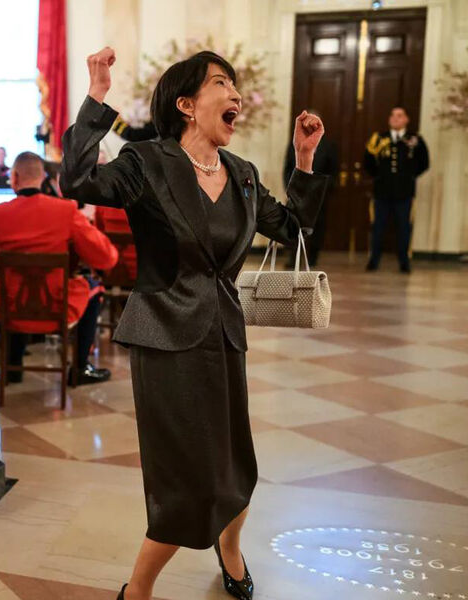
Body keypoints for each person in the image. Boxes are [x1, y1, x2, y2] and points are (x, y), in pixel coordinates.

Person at [60, 47, 328, 600]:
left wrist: (303, 159)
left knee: (234, 463)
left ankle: (231, 551)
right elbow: (77, 181)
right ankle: (138, 588)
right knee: (183, 476)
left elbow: (295, 227)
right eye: (222, 83)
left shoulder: (243, 175)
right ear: (186, 104)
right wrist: (97, 95)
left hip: (224, 334)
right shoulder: (144, 162)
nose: (236, 95)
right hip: (164, 335)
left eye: (235, 85)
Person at [0, 151, 118, 385]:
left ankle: (13, 368)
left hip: (9, 307)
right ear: (43, 178)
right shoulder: (66, 211)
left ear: (14, 177)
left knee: (11, 285)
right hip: (56, 307)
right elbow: (106, 258)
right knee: (94, 288)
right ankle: (80, 368)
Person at [363, 106, 429, 273]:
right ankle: (373, 260)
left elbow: (424, 163)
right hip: (382, 192)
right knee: (378, 227)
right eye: (392, 115)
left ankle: (404, 262)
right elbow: (368, 162)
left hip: (404, 193)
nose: (395, 118)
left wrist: (409, 176)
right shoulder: (379, 138)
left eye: (399, 115)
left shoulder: (415, 139)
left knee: (404, 228)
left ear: (406, 119)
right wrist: (379, 176)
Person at [283, 118, 338, 267]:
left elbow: (333, 171)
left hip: (319, 194)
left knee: (318, 226)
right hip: (297, 192)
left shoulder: (329, 146)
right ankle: (293, 257)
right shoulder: (294, 143)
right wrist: (290, 188)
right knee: (293, 223)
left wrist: (324, 189)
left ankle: (313, 257)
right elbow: (287, 167)